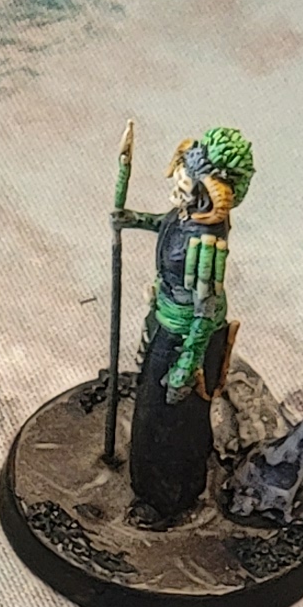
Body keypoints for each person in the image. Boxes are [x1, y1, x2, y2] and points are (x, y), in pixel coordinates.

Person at [118, 126, 252, 529]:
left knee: (167, 422)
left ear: (205, 191)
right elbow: (165, 224)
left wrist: (186, 365)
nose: (176, 188)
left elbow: (205, 308)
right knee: (151, 412)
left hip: (186, 339)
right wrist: (132, 219)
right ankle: (154, 490)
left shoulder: (206, 243)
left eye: (184, 182)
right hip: (166, 323)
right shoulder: (184, 215)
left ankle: (167, 501)